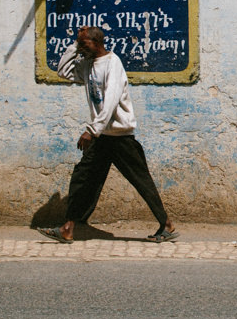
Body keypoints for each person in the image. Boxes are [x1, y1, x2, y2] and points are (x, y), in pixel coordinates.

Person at [42, 26, 177, 243]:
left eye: (85, 44)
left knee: (141, 181)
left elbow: (111, 101)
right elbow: (62, 71)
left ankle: (167, 224)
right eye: (80, 45)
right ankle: (68, 227)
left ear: (96, 42)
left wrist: (91, 131)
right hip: (102, 137)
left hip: (120, 137)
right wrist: (75, 45)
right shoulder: (87, 64)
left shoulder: (113, 63)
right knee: (82, 178)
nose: (82, 49)